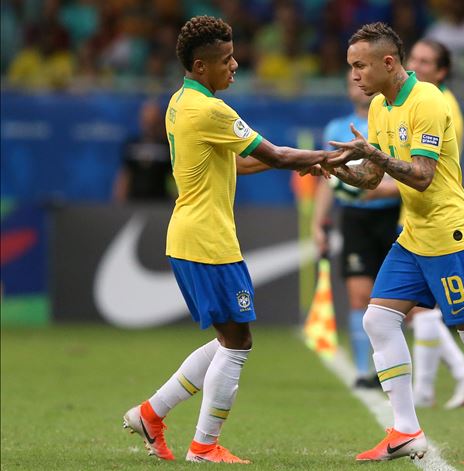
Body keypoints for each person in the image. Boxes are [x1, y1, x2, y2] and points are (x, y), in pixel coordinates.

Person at [122, 16, 336, 464]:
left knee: (230, 337)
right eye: (226, 60)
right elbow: (274, 152)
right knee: (237, 341)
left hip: (193, 236)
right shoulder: (210, 110)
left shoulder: (180, 102)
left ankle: (151, 413)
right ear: (201, 66)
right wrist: (331, 156)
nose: (235, 65)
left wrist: (302, 164)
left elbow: (234, 164)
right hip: (206, 240)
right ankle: (204, 446)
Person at [320, 22, 464, 465]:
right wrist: (337, 171)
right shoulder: (379, 107)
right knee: (378, 319)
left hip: (451, 233)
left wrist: (375, 156)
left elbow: (421, 175)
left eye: (360, 66)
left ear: (388, 63)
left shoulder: (428, 100)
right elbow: (373, 178)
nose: (354, 75)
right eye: (351, 67)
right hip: (415, 235)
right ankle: (405, 430)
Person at [404, 38, 464, 410]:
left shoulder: (437, 102)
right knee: (418, 310)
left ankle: (457, 379)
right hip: (417, 215)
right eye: (413, 58)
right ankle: (431, 389)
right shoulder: (416, 99)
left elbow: (426, 172)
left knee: (428, 311)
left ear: (442, 71)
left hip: (439, 218)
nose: (416, 65)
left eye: (426, 61)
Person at [312, 69, 401, 389]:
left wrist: (382, 190)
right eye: (351, 81)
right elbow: (328, 180)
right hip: (355, 218)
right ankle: (365, 371)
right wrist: (318, 223)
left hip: (392, 216)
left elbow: (407, 172)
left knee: (395, 301)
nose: (357, 86)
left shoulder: (390, 122)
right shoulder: (337, 128)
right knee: (358, 296)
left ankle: (393, 368)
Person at [112, 99, 175, 203]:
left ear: (159, 120)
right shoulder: (132, 144)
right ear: (141, 120)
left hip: (159, 203)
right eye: (146, 120)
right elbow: (125, 174)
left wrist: (174, 200)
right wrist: (119, 199)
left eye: (153, 121)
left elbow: (173, 177)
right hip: (133, 202)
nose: (149, 125)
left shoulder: (167, 146)